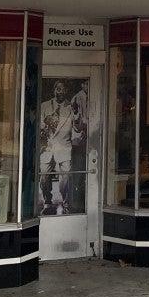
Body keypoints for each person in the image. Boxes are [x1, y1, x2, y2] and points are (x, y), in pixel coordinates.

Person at [38, 80, 86, 214]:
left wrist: (76, 114)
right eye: (57, 89)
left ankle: (65, 203)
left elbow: (78, 127)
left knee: (65, 178)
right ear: (54, 90)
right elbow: (39, 125)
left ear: (66, 91)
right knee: (44, 177)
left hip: (64, 147)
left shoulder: (71, 107)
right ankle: (47, 201)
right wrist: (45, 127)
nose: (60, 91)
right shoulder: (44, 106)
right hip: (47, 148)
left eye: (62, 89)